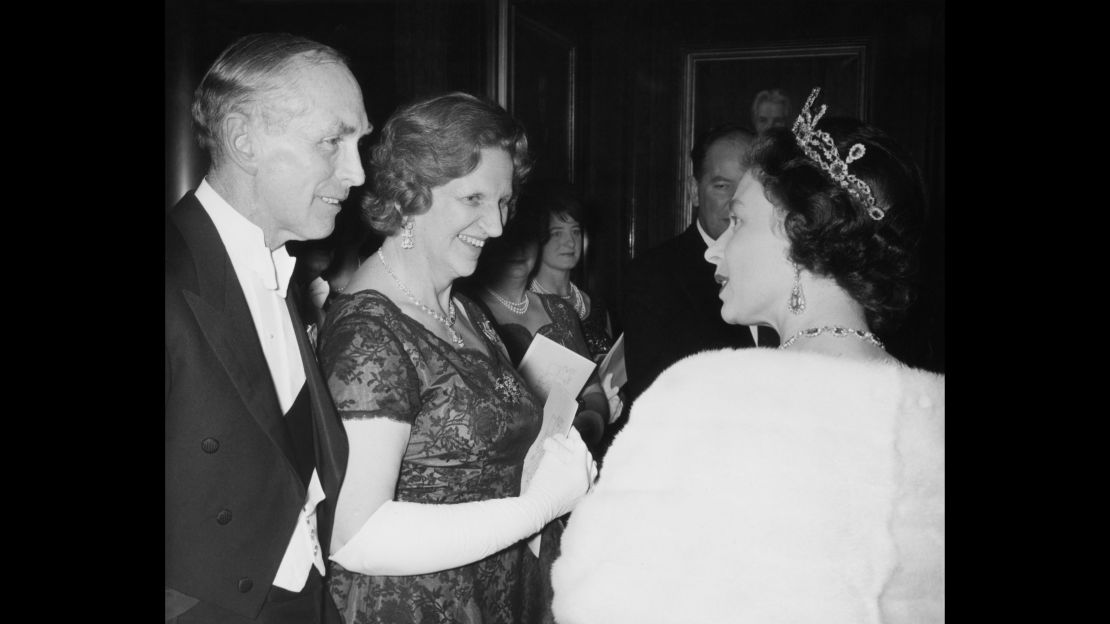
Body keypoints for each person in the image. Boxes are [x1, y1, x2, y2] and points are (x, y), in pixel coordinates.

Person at [551, 88, 944, 623]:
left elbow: (596, 600)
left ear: (796, 240)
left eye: (739, 221)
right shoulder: (934, 409)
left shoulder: (701, 395)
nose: (715, 247)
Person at [316, 92, 596, 624]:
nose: (495, 226)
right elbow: (357, 535)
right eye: (473, 200)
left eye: (505, 202)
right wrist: (536, 507)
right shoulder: (370, 331)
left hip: (496, 594)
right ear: (409, 195)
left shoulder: (462, 306)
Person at [165, 33, 371, 623]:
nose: (355, 172)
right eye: (333, 141)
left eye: (358, 142)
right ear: (242, 139)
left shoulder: (280, 269)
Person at [622, 123, 776, 408]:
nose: (735, 202)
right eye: (721, 186)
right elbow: (654, 398)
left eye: (746, 187)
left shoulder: (783, 265)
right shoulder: (653, 275)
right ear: (694, 191)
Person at [466, 211, 610, 452]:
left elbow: (594, 392)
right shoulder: (469, 312)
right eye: (507, 239)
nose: (518, 249)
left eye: (527, 238)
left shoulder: (559, 309)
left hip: (571, 455)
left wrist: (585, 427)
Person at [525, 180, 613, 362]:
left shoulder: (595, 306)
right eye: (557, 233)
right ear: (538, 237)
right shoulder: (524, 305)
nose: (570, 242)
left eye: (575, 232)